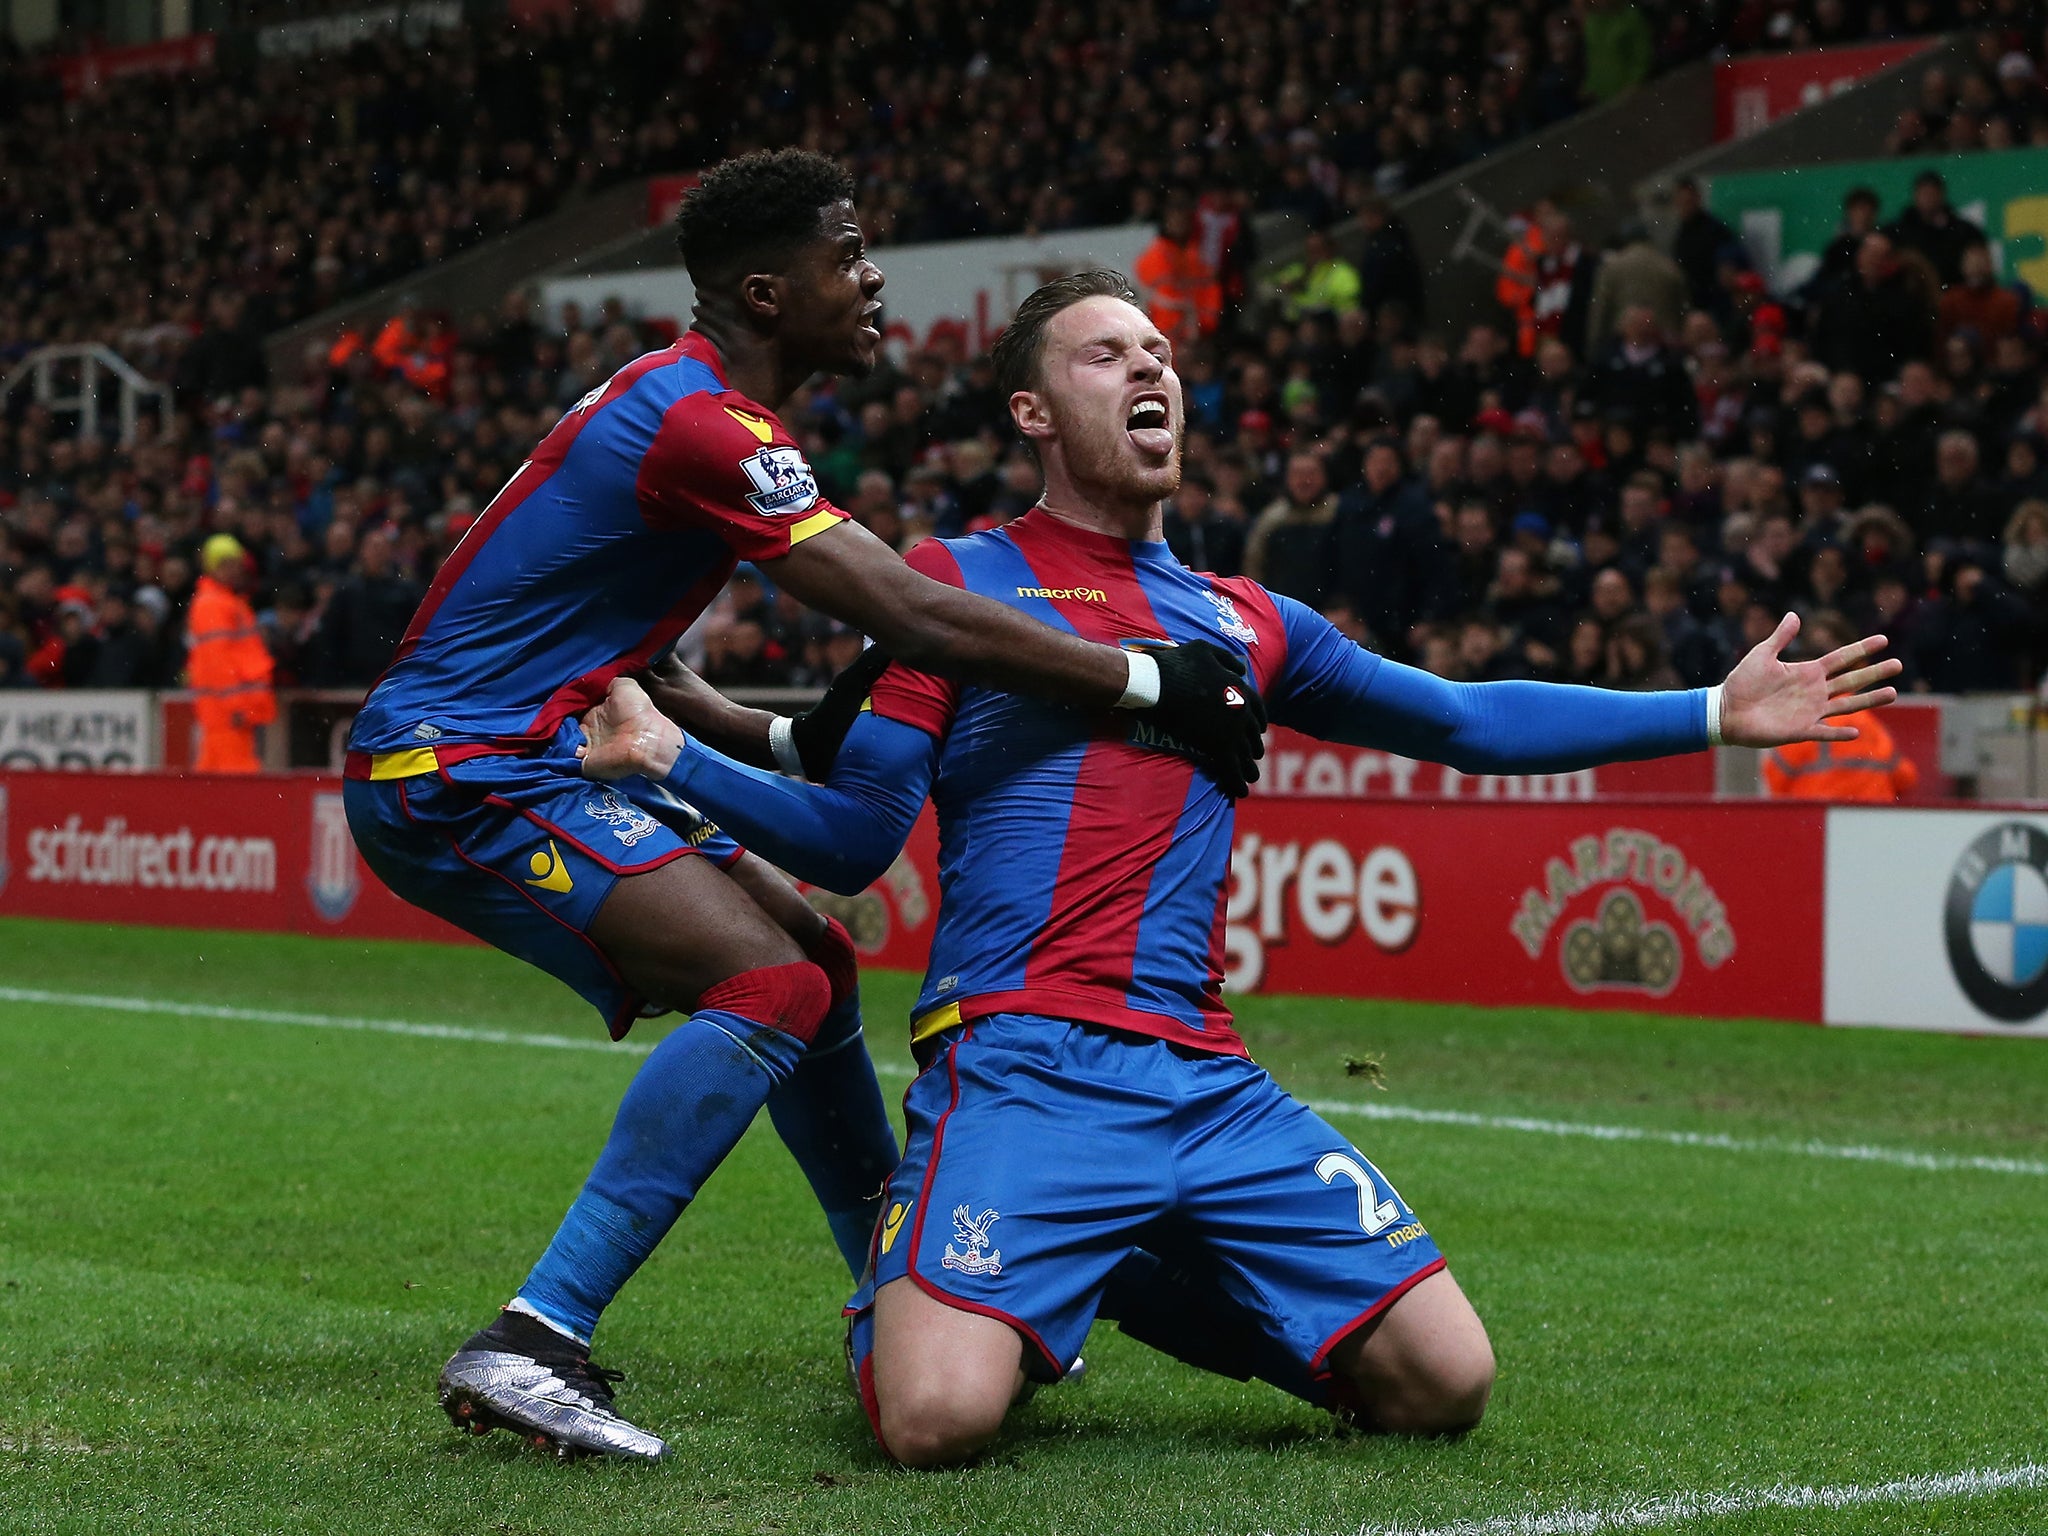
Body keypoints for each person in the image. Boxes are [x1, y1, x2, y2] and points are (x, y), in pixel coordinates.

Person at [577, 271, 1901, 1466]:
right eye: (1107, 355)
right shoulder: (955, 587)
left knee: (1446, 1383)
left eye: (1160, 352)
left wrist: (1709, 714)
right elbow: (853, 832)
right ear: (1033, 411)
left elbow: (1458, 718)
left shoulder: (1249, 618)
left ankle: (1104, 1263)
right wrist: (671, 758)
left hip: (1207, 1081)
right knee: (934, 1421)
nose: (1151, 370)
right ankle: (925, 1263)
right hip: (1024, 1061)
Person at [341, 154, 1264, 1463]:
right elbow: (910, 614)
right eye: (846, 255)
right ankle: (536, 1336)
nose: (872, 274)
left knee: (818, 972)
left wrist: (677, 692)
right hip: (460, 766)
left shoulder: (692, 410)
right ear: (767, 292)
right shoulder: (708, 424)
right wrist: (1148, 679)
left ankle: (895, 1304)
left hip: (516, 749)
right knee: (769, 984)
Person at [186, 534, 276, 774]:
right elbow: (218, 661)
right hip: (230, 715)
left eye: (236, 563)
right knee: (236, 782)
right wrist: (236, 706)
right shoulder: (215, 604)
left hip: (229, 714)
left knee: (215, 781)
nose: (236, 570)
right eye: (228, 564)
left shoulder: (223, 601)